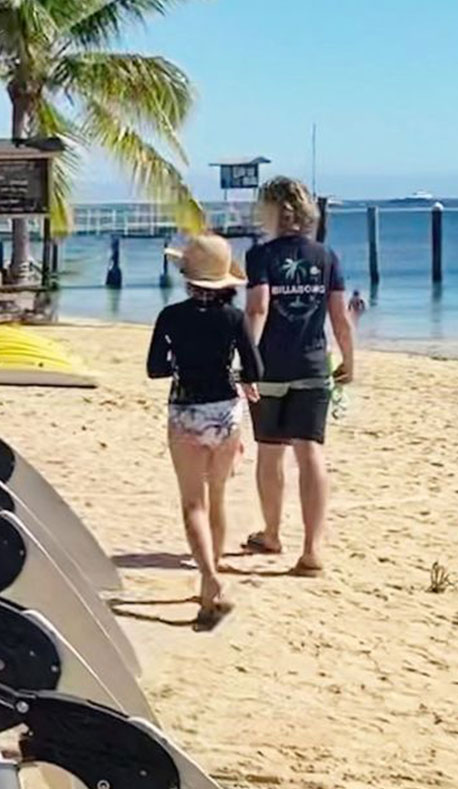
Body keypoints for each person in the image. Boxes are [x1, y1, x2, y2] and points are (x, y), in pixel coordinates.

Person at [243, 176, 356, 576]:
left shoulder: (261, 256)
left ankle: (272, 533)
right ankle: (312, 550)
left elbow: (258, 309)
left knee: (271, 451)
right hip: (312, 367)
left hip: (272, 366)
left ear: (271, 211)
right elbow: (339, 318)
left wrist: (246, 360)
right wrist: (350, 360)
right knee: (310, 452)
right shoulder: (326, 256)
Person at [148, 233, 262, 629]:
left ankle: (211, 580)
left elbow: (155, 369)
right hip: (226, 412)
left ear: (187, 275)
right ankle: (208, 581)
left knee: (191, 503)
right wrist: (230, 372)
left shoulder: (171, 316)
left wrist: (182, 363)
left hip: (186, 411)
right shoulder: (234, 318)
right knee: (217, 497)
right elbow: (255, 369)